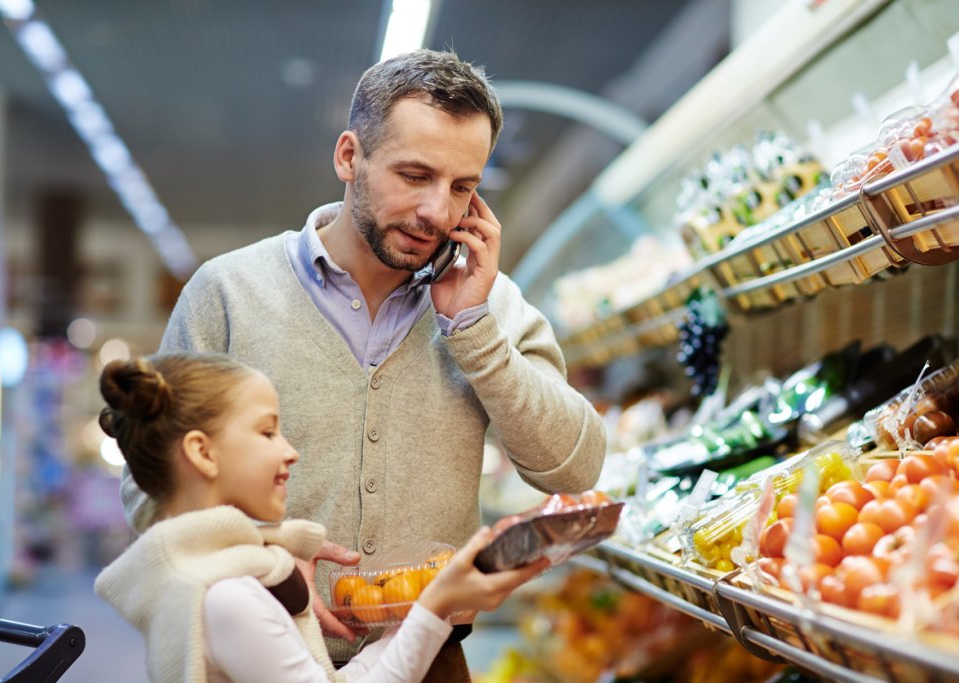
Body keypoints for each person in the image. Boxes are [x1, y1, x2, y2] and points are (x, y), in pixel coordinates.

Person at [121, 48, 606, 676]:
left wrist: (471, 330)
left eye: (463, 188)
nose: (438, 212)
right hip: (256, 658)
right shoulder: (228, 293)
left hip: (431, 664)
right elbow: (147, 484)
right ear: (350, 156)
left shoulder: (492, 305)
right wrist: (256, 559)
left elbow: (575, 468)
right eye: (414, 175)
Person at [95, 353, 550, 683]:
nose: (289, 451)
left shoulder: (220, 575)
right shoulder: (226, 596)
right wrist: (434, 608)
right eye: (267, 431)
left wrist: (435, 605)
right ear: (202, 452)